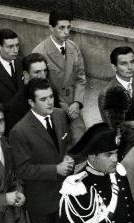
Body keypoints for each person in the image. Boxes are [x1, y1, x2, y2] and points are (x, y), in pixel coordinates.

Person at [9, 78, 75, 223]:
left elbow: (67, 145)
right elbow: (23, 169)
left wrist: (69, 158)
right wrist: (55, 169)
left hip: (65, 193)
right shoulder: (20, 131)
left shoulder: (59, 115)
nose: (49, 103)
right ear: (31, 102)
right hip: (40, 198)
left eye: (51, 97)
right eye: (43, 99)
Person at [33, 10, 86, 143]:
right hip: (53, 106)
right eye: (61, 28)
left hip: (73, 105)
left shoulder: (73, 47)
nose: (66, 32)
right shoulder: (39, 52)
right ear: (51, 28)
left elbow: (80, 78)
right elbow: (38, 88)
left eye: (68, 27)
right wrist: (62, 107)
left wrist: (77, 102)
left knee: (81, 141)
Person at [4, 53, 60, 134]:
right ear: (26, 74)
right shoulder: (16, 105)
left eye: (45, 71)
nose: (43, 76)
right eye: (37, 72)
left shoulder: (52, 92)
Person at [98, 46, 134, 127]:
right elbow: (112, 126)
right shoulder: (107, 93)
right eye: (124, 64)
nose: (130, 67)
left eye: (132, 62)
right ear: (114, 67)